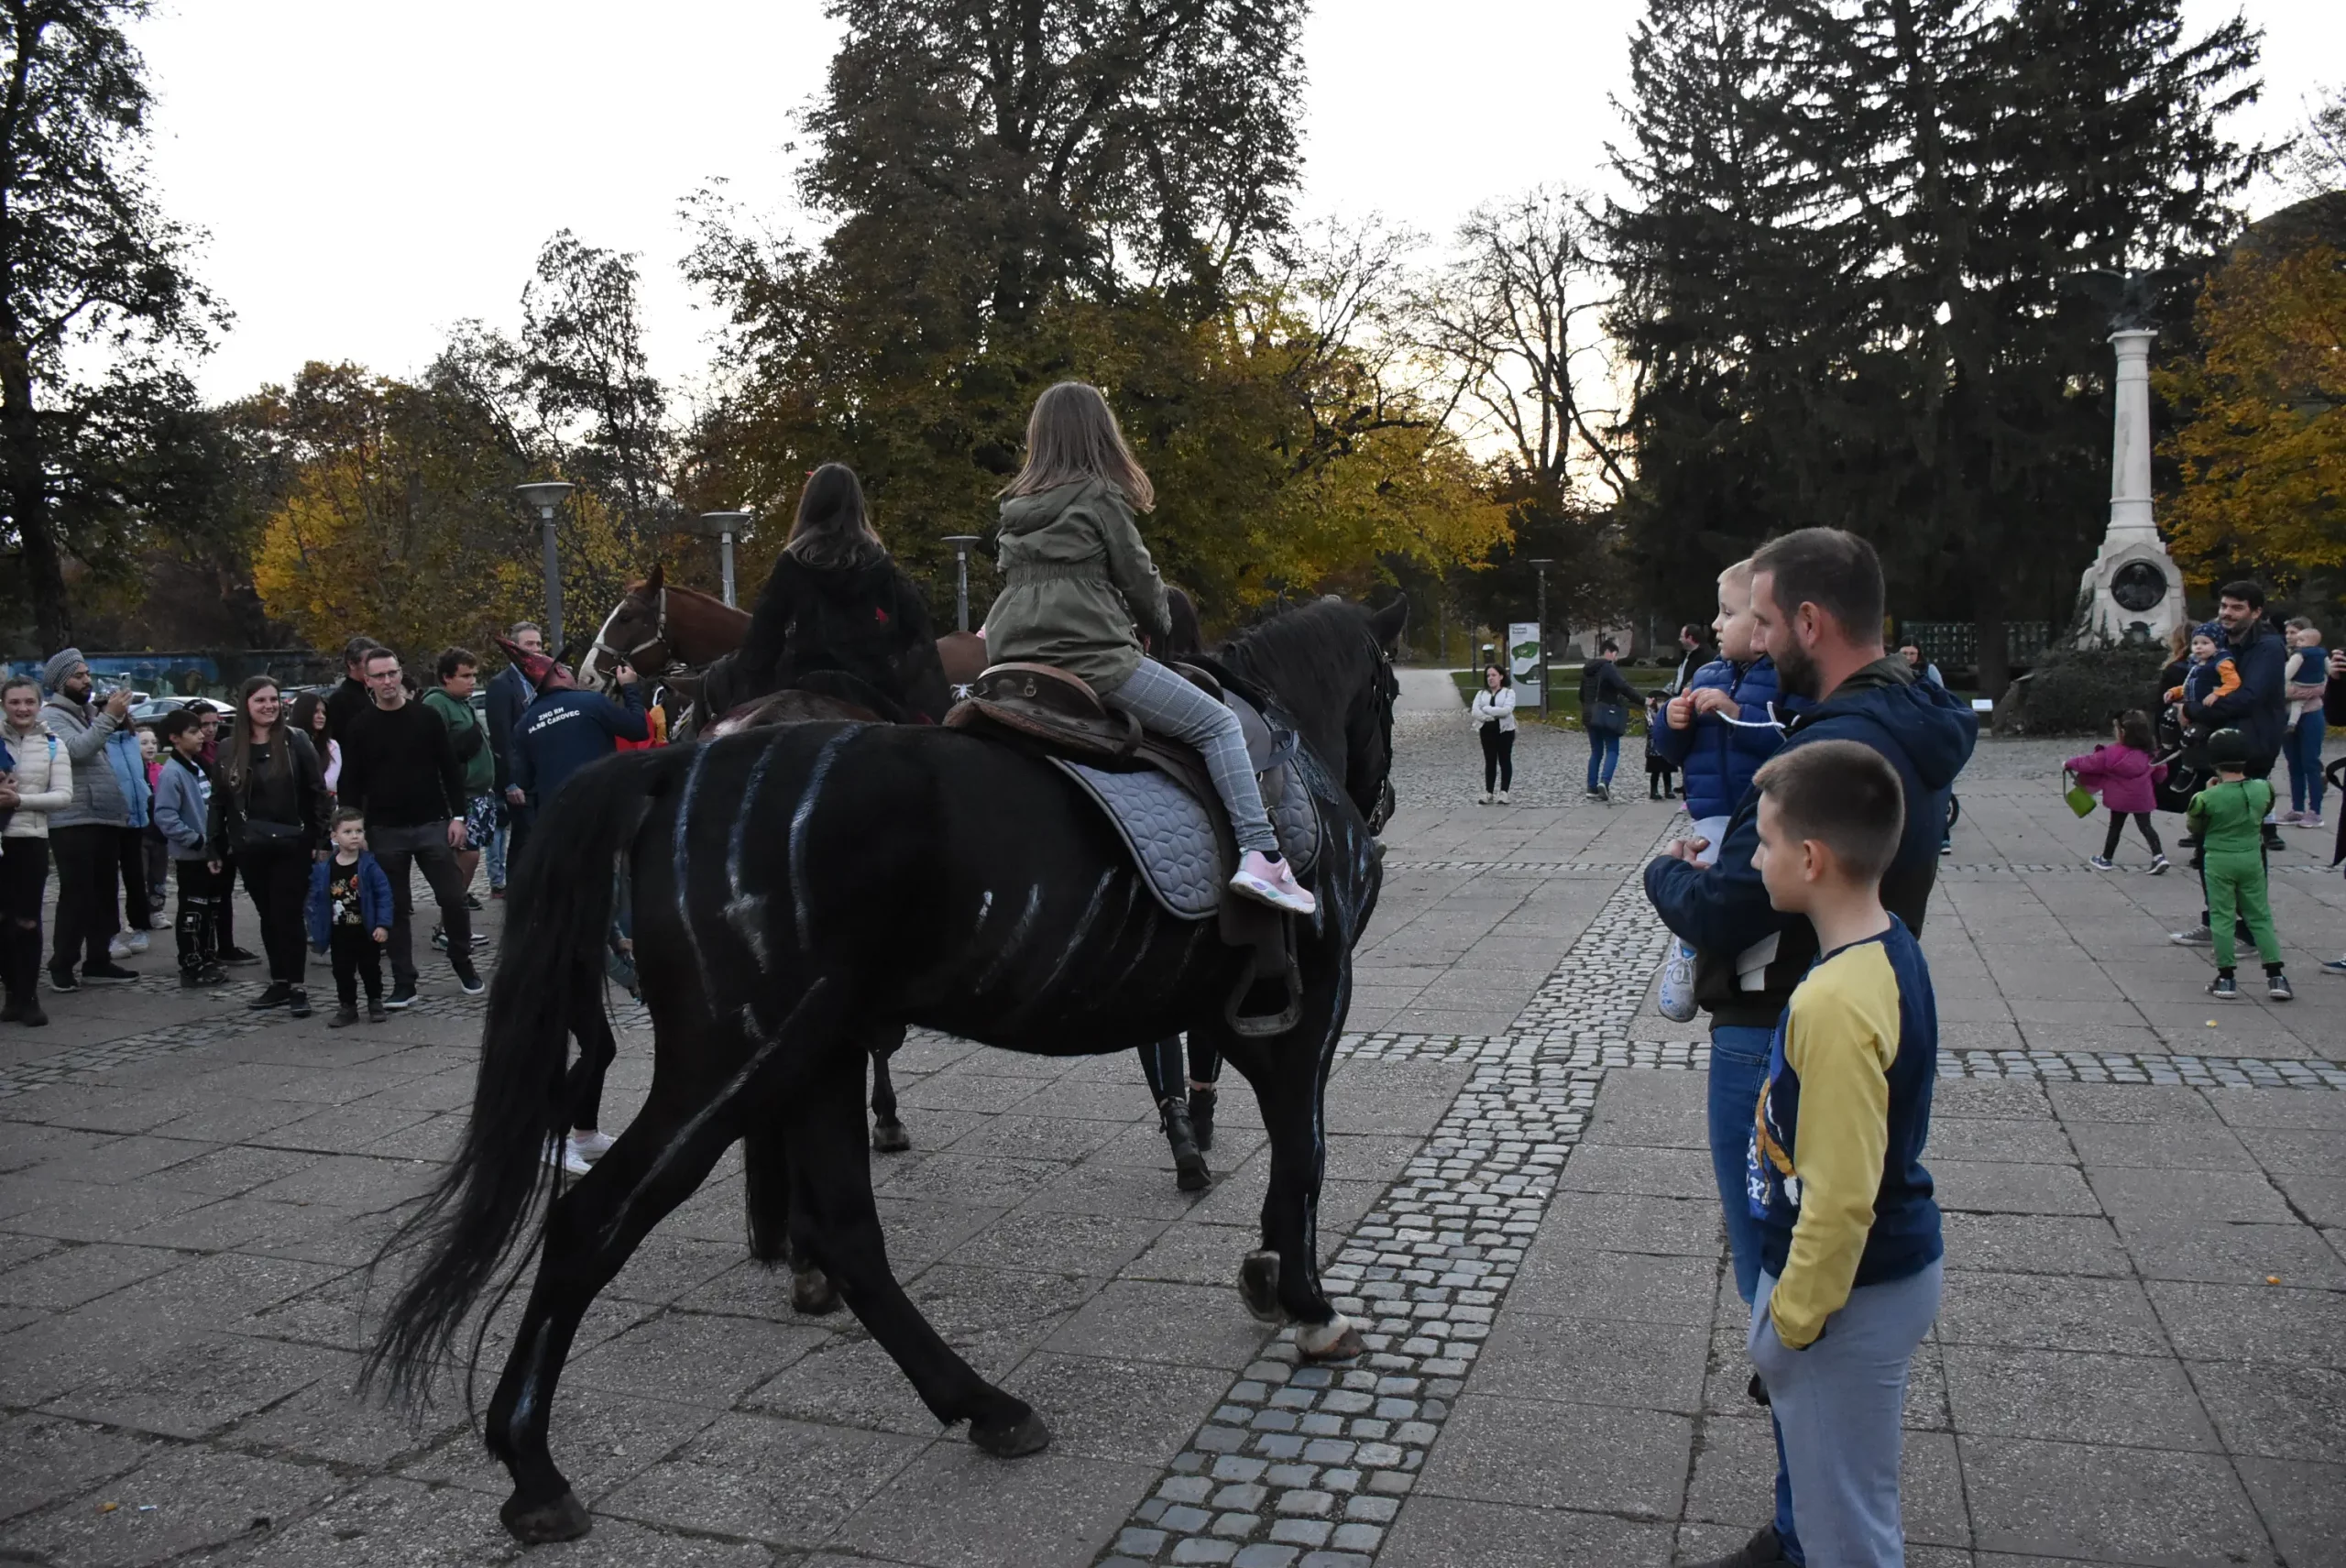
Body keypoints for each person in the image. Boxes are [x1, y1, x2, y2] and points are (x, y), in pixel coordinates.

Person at [1647, 530, 1974, 1564]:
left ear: (1810, 622)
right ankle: (1809, 1520)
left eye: (1769, 617)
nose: (1758, 638)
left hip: (1771, 1019)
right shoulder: (1908, 719)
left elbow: (1734, 896)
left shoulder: (1827, 750)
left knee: (1780, 1272)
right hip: (1819, 998)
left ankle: (1804, 1531)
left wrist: (1666, 874)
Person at [981, 380, 1312, 915]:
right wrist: (1158, 618)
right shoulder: (1100, 497)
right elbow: (1138, 579)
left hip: (1013, 660)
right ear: (1100, 435)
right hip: (1092, 659)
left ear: (1039, 438)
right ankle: (1261, 853)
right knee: (1218, 725)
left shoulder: (1015, 507)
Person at [1741, 739, 1945, 1568]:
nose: (1754, 857)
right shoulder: (1888, 945)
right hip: (1869, 1282)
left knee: (1844, 1535)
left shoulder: (1831, 1001)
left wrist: (1787, 1325)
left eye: (1764, 841)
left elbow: (1842, 1197)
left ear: (1812, 858)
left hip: (1844, 1297)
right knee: (1853, 1503)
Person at [1651, 558, 1799, 1022]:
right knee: (1705, 880)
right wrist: (1671, 723)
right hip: (1712, 809)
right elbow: (1673, 751)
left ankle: (1723, 963)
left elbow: (1788, 740)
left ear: (1761, 624)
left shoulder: (1784, 679)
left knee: (1740, 895)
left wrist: (1737, 713)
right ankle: (1688, 953)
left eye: (1727, 613)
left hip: (1761, 810)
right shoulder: (1708, 674)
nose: (1715, 624)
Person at [697, 464, 954, 729]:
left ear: (809, 506)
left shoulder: (792, 564)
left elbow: (762, 641)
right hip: (873, 691)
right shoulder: (883, 568)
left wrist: (746, 699)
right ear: (857, 506)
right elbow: (918, 636)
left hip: (804, 682)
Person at [336, 647, 477, 1008]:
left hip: (432, 823)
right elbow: (351, 783)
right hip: (384, 830)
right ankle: (404, 981)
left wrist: (458, 817)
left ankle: (462, 960)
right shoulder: (360, 727)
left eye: (392, 674)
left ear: (401, 675)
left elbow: (450, 770)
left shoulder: (426, 717)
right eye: (379, 676)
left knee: (453, 898)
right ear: (367, 681)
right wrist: (353, 831)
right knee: (395, 908)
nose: (387, 682)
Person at [2172, 583, 2289, 943]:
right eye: (2224, 606)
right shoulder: (2224, 646)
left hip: (2249, 750)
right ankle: (2216, 921)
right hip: (2219, 747)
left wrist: (2191, 709)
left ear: (2255, 612)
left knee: (2242, 843)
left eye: (2236, 607)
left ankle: (2250, 929)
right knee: (2209, 839)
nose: (2226, 613)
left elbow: (2248, 697)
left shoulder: (2267, 648)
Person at [219, 676, 330, 1017]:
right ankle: (279, 980)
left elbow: (317, 792)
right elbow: (220, 800)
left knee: (288, 913)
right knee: (268, 914)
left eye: (273, 699)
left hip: (292, 843)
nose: (268, 706)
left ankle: (297, 985)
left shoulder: (296, 742)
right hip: (250, 845)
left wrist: (322, 839)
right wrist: (215, 845)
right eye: (260, 701)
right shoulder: (229, 747)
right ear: (246, 706)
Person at [504, 641, 650, 881]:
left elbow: (524, 780)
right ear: (560, 672)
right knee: (612, 880)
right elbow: (639, 729)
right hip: (602, 813)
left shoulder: (524, 724)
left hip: (555, 822)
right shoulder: (591, 702)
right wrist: (630, 689)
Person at [38, 650, 141, 988]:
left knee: (104, 893)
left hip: (101, 817)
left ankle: (99, 960)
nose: (87, 680)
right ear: (59, 682)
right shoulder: (52, 716)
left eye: (87, 674)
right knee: (78, 894)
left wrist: (109, 718)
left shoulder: (84, 713)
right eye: (78, 675)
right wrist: (108, 718)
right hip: (73, 819)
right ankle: (62, 964)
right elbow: (76, 751)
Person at [2189, 729, 2292, 1002]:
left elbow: (2195, 825)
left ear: (2214, 762)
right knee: (2260, 915)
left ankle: (2226, 978)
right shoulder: (2263, 788)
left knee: (2222, 917)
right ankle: (2276, 976)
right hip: (2251, 856)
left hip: (2219, 859)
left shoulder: (2205, 798)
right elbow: (2265, 807)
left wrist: (2210, 793)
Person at [2, 675, 71, 1025]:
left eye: (28, 701)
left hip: (29, 838)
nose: (22, 709)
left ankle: (28, 996)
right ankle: (11, 994)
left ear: (39, 704)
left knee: (27, 921)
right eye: (14, 702)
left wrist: (21, 800)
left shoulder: (52, 744)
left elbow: (63, 796)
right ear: (4, 705)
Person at [421, 648, 496, 948]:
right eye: (465, 676)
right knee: (465, 857)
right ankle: (448, 926)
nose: (472, 681)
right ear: (446, 677)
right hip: (459, 797)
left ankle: (454, 925)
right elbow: (433, 752)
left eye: (474, 675)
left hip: (477, 794)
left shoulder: (461, 703)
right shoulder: (437, 704)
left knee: (468, 857)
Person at [151, 709, 229, 988]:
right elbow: (165, 816)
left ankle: (208, 957)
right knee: (193, 910)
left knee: (209, 909)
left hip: (208, 853)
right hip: (192, 854)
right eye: (193, 732)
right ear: (174, 738)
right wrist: (195, 840)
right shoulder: (172, 773)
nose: (201, 736)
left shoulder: (195, 766)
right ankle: (191, 963)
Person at [307, 807, 394, 1026]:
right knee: (342, 971)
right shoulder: (326, 868)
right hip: (340, 932)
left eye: (359, 830)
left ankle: (375, 1001)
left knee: (371, 969)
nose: (355, 836)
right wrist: (316, 929)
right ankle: (348, 1006)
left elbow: (384, 895)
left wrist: (383, 925)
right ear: (334, 836)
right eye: (348, 831)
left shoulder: (369, 866)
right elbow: (316, 901)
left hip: (366, 931)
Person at [484, 621, 543, 899]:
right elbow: (501, 738)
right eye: (528, 644)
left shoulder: (544, 679)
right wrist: (510, 782)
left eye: (538, 644)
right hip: (519, 779)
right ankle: (517, 891)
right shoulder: (500, 685)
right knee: (523, 835)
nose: (535, 649)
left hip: (544, 772)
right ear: (514, 646)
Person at [2069, 711, 2169, 873]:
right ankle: (2159, 856)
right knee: (2146, 827)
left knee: (2115, 827)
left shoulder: (2112, 753)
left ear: (2122, 732)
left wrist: (2070, 763)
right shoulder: (2151, 753)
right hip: (2142, 797)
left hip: (2119, 799)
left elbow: (2089, 763)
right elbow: (2161, 773)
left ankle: (2106, 859)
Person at [1577, 638, 1638, 802]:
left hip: (1589, 714)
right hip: (1606, 714)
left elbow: (1581, 694)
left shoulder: (1588, 669)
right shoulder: (1607, 668)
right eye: (1615, 655)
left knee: (1596, 751)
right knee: (1612, 749)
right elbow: (1623, 687)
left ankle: (1591, 787)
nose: (1616, 659)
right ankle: (1604, 782)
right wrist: (1642, 701)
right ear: (1610, 653)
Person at [2281, 618, 2327, 829]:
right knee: (2293, 764)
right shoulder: (2282, 654)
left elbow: (2326, 682)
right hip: (2287, 712)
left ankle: (2315, 811)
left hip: (2312, 713)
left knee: (2310, 762)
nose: (2290, 637)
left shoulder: (2311, 656)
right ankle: (2297, 808)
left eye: (2295, 633)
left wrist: (2309, 691)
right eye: (2288, 633)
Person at [322, 635, 383, 744]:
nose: (374, 667)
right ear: (352, 664)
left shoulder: (374, 693)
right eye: (368, 662)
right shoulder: (341, 699)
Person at [1470, 663, 1517, 804]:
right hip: (1486, 730)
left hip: (1505, 730)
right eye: (1488, 676)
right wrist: (1489, 716)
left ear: (1501, 676)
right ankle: (1488, 791)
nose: (1490, 678)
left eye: (1494, 675)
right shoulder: (1481, 694)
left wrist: (1488, 709)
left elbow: (1506, 711)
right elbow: (1475, 711)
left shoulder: (1509, 693)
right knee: (1490, 761)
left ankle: (1504, 792)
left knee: (1504, 759)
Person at [286, 690, 341, 797]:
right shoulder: (287, 743)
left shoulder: (332, 746)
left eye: (324, 713)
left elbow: (329, 783)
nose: (321, 716)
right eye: (315, 712)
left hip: (322, 807)